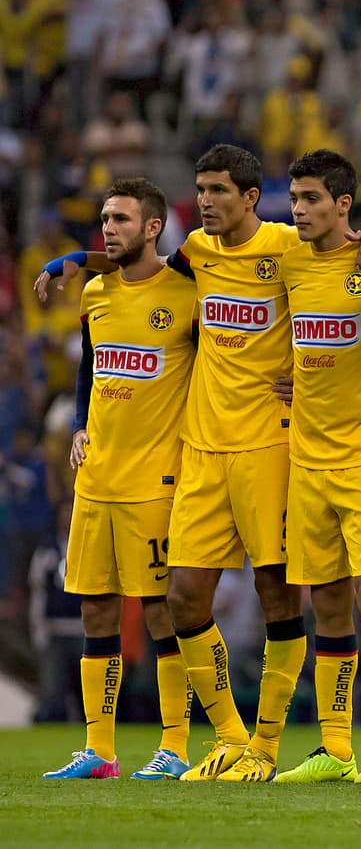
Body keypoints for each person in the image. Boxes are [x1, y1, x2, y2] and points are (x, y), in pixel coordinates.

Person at [34, 144, 361, 782]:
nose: (205, 201)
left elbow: (347, 253)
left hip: (271, 447)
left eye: (218, 190)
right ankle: (227, 734)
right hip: (202, 450)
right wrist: (72, 260)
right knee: (182, 598)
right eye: (200, 189)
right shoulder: (196, 251)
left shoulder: (288, 246)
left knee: (278, 595)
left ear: (251, 198)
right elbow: (138, 263)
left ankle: (267, 744)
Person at [41, 178, 197, 780]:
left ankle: (176, 745)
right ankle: (100, 751)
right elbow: (89, 366)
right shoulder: (97, 293)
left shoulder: (187, 293)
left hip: (155, 478)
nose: (109, 228)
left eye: (122, 219)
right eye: (106, 219)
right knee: (96, 613)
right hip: (96, 476)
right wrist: (80, 425)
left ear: (153, 226)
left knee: (161, 614)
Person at [267, 150, 361, 785]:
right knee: (325, 600)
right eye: (294, 200)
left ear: (343, 205)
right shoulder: (287, 259)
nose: (298, 211)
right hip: (308, 455)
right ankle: (334, 745)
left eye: (311, 200)